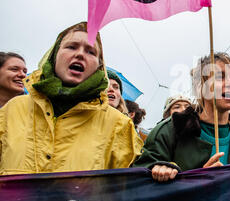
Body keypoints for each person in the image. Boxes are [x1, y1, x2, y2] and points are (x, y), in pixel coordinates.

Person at [0, 21, 143, 175]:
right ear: (54, 56)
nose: (80, 54)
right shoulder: (12, 109)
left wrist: (162, 169)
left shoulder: (119, 124)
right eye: (71, 47)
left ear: (98, 66)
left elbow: (133, 184)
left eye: (91, 51)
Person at [133, 52, 230, 182]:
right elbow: (139, 181)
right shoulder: (168, 131)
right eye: (219, 77)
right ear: (199, 87)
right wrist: (161, 172)